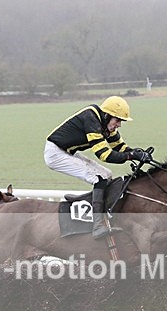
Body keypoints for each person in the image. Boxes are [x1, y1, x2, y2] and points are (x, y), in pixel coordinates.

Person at [44, 95, 152, 238]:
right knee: (99, 178)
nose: (119, 124)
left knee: (106, 175)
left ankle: (86, 202)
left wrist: (138, 153)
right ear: (107, 115)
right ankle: (97, 224)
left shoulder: (105, 123)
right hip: (55, 154)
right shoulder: (91, 119)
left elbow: (119, 146)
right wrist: (131, 155)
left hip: (66, 151)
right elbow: (104, 154)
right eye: (118, 120)